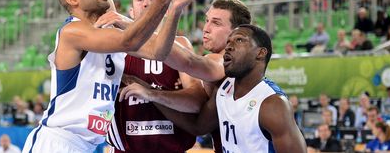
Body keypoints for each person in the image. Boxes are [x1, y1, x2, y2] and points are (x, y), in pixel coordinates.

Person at [23, 0, 200, 153]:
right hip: (58, 142)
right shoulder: (72, 31)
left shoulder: (106, 24)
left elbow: (158, 51)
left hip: (87, 145)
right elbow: (131, 39)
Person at [120, 24, 307, 152]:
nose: (229, 47)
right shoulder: (224, 89)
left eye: (239, 40)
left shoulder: (272, 105)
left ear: (261, 53)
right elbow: (197, 127)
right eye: (228, 42)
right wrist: (151, 93)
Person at [111, 0, 207, 153]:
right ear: (131, 12)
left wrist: (152, 94)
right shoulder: (114, 48)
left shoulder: (180, 44)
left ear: (166, 8)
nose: (147, 2)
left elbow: (197, 102)